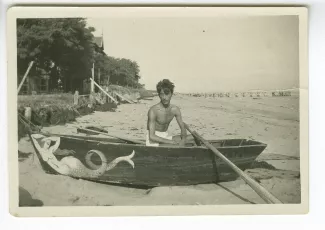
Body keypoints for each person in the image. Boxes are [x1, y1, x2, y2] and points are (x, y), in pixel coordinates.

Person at [146, 79, 193, 147]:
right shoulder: (153, 110)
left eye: (167, 94)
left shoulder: (175, 109)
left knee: (192, 137)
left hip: (165, 137)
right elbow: (151, 136)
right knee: (176, 145)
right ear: (159, 95)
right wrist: (171, 142)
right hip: (153, 141)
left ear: (171, 94)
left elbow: (183, 128)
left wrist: (183, 140)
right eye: (162, 94)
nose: (164, 97)